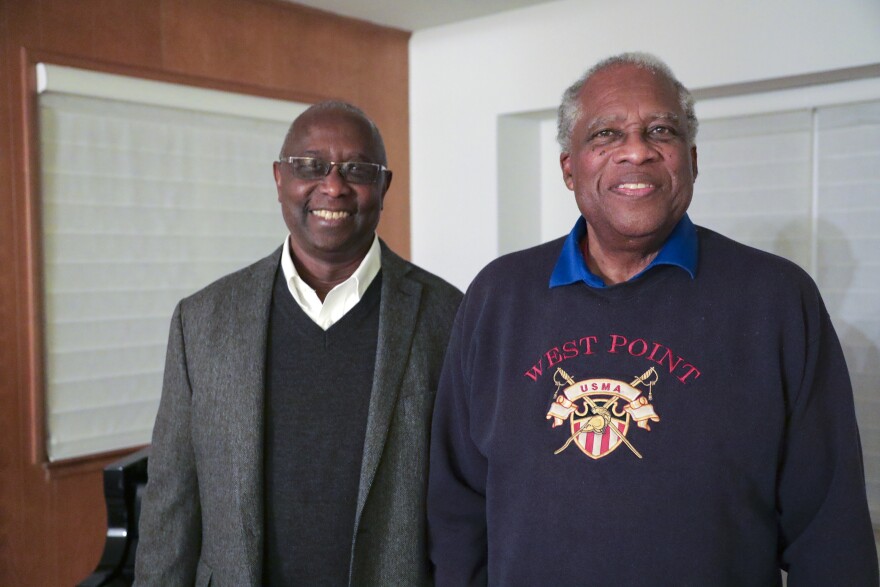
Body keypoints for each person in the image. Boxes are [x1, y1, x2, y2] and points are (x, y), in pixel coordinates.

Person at [427, 53, 878, 586]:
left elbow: (830, 531)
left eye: (659, 130)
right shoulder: (497, 298)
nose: (636, 151)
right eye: (606, 134)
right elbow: (456, 511)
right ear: (569, 167)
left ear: (690, 159)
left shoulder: (778, 298)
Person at [134, 101, 462, 586]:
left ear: (384, 187)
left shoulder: (449, 316)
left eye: (357, 169)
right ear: (279, 179)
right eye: (310, 166)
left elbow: (466, 501)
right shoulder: (202, 320)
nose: (333, 186)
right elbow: (171, 501)